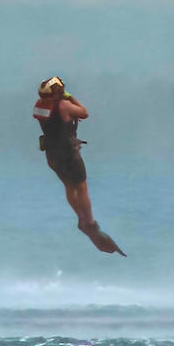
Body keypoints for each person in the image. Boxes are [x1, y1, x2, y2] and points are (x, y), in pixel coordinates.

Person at [32, 77, 125, 256]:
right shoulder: (63, 105)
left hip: (51, 154)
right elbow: (84, 112)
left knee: (69, 186)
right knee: (81, 187)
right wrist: (70, 97)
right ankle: (88, 222)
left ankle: (80, 219)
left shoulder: (40, 105)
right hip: (68, 154)